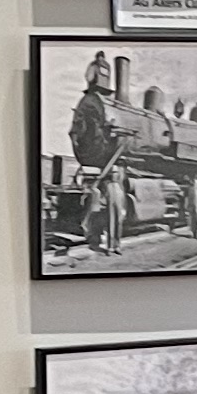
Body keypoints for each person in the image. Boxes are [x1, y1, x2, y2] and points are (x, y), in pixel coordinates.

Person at [68, 54, 128, 257]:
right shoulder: (92, 103)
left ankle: (112, 243)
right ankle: (101, 239)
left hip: (110, 181)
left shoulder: (116, 181)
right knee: (111, 213)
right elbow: (77, 131)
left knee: (115, 215)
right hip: (101, 174)